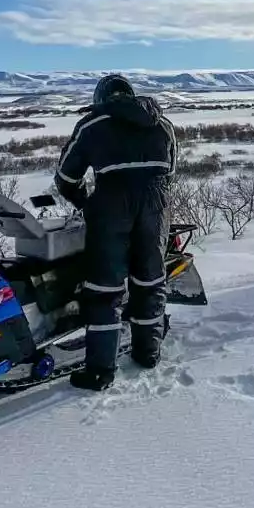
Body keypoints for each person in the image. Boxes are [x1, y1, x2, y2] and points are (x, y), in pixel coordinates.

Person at [53, 74, 179, 392]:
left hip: (111, 209)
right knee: (150, 282)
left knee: (104, 289)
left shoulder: (92, 124)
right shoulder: (162, 124)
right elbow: (171, 170)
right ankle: (148, 353)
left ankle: (100, 371)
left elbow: (66, 176)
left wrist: (85, 202)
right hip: (156, 207)